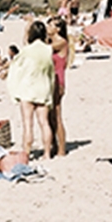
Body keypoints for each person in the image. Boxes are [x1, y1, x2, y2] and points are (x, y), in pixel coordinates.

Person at [6, 20, 55, 160]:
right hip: (43, 87)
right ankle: (47, 153)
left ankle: (26, 153)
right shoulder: (48, 49)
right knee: (44, 122)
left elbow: (16, 66)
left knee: (28, 124)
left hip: (28, 88)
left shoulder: (27, 50)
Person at [49, 17, 70, 157]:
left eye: (50, 25)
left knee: (56, 115)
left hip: (58, 80)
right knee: (49, 116)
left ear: (58, 29)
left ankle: (61, 149)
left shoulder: (61, 42)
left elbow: (42, 49)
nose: (47, 27)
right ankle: (54, 145)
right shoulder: (51, 42)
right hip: (50, 80)